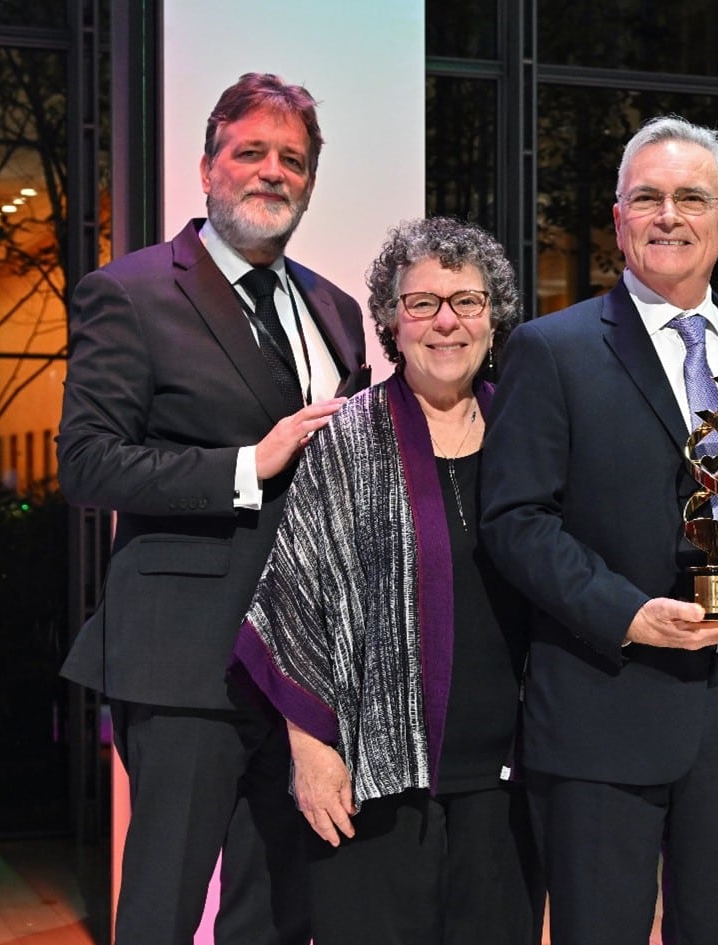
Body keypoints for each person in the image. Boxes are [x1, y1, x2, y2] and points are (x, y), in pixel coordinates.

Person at [57, 73, 368, 945]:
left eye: (293, 161)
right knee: (163, 906)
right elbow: (85, 463)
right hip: (186, 659)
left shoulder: (334, 309)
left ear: (309, 182)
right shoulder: (131, 292)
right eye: (251, 152)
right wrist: (245, 464)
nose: (273, 172)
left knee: (275, 910)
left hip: (302, 666)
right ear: (207, 166)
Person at [479, 115, 718, 945]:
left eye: (692, 197)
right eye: (647, 197)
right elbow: (516, 519)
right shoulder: (552, 350)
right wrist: (626, 611)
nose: (670, 215)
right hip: (605, 695)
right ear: (619, 220)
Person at [231, 217, 542, 945]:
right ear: (390, 323)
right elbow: (294, 602)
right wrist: (312, 754)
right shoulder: (345, 437)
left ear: (494, 319)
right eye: (421, 302)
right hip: (374, 779)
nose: (446, 322)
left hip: (511, 775)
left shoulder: (529, 432)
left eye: (467, 302)